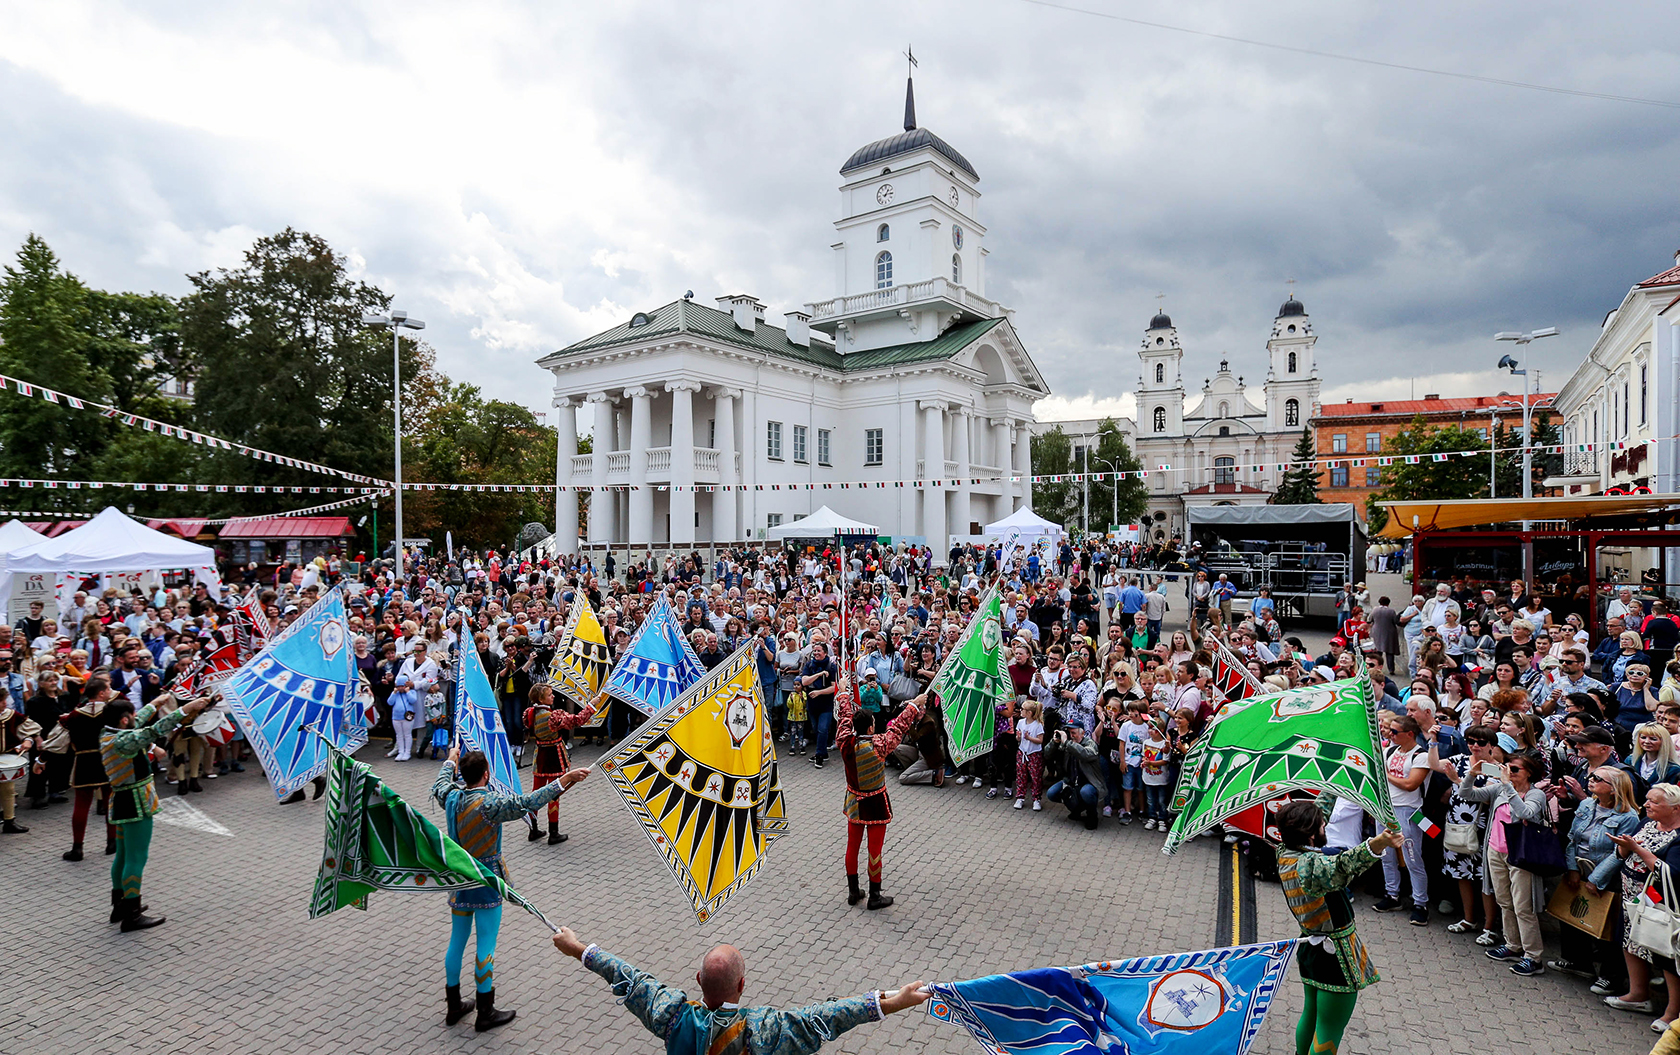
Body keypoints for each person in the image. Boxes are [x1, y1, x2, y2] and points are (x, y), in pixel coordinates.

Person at [549, 926, 930, 1055]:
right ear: (742, 985)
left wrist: (577, 948)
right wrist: (893, 1002)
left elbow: (628, 978)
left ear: (697, 981)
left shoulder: (671, 1015)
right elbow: (823, 1019)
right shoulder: (764, 1029)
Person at [432, 746, 589, 1031]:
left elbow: (440, 784)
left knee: (457, 941)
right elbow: (529, 801)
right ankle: (485, 1010)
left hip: (459, 880)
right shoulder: (490, 804)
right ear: (486, 774)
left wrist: (450, 760)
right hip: (486, 881)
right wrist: (565, 779)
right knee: (485, 944)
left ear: (463, 775)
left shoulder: (453, 797)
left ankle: (453, 1005)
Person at [1273, 798, 1404, 1055]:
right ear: (1311, 835)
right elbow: (1342, 865)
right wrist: (1377, 844)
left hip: (1311, 948)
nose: (1326, 826)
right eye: (1323, 825)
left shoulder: (1286, 851)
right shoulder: (1311, 867)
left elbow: (1320, 812)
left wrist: (1337, 783)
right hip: (1335, 955)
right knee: (1329, 1029)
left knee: (1311, 1015)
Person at [101, 693, 214, 931]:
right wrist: (186, 709)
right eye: (131, 715)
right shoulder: (124, 741)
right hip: (136, 801)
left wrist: (155, 704)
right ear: (123, 720)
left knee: (122, 855)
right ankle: (132, 915)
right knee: (136, 858)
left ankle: (120, 906)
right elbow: (153, 730)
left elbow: (138, 722)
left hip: (121, 800)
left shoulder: (108, 732)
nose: (135, 717)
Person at [1549, 767, 1641, 995]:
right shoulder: (1586, 805)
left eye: (1598, 779)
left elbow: (1619, 852)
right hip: (1578, 868)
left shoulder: (1628, 817)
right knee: (1571, 914)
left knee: (1606, 925)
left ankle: (1611, 977)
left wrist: (1596, 879)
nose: (1590, 781)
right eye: (1591, 777)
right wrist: (1572, 869)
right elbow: (1572, 838)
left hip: (1607, 876)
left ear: (1614, 788)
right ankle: (1577, 962)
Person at [1460, 752, 1552, 976]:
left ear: (1528, 773)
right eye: (1507, 767)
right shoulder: (1499, 788)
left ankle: (1533, 957)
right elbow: (1467, 794)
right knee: (1504, 901)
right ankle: (1513, 945)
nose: (1509, 772)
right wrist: (1472, 774)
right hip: (1495, 851)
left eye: (1515, 769)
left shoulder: (1536, 794)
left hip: (1521, 855)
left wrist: (1507, 786)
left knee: (1523, 907)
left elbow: (1526, 813)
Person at [834, 674, 921, 910]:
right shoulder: (880, 744)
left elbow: (844, 717)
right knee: (875, 851)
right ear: (872, 726)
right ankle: (874, 895)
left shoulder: (844, 742)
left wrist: (843, 692)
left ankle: (853, 892)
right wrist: (914, 704)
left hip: (854, 801)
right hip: (875, 803)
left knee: (852, 847)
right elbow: (900, 725)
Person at [1374, 715, 1432, 926]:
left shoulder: (1421, 755)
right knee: (1385, 853)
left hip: (1408, 810)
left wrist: (1384, 773)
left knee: (1412, 857)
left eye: (1395, 731)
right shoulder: (1390, 750)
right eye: (1390, 730)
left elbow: (1410, 785)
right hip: (1386, 808)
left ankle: (1420, 903)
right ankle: (1392, 895)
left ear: (1409, 734)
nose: (1390, 734)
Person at [521, 683, 596, 844]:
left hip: (539, 756)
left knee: (535, 794)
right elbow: (577, 720)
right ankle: (553, 833)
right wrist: (591, 705)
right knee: (554, 794)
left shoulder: (530, 713)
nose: (553, 696)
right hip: (554, 757)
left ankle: (533, 830)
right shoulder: (552, 717)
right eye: (549, 695)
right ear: (541, 698)